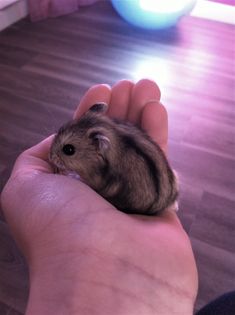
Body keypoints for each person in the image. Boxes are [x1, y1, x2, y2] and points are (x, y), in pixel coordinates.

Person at [1, 79, 198, 315]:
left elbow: (100, 179)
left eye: (69, 151)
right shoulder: (108, 142)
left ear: (99, 146)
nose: (55, 156)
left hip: (137, 199)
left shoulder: (103, 160)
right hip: (165, 191)